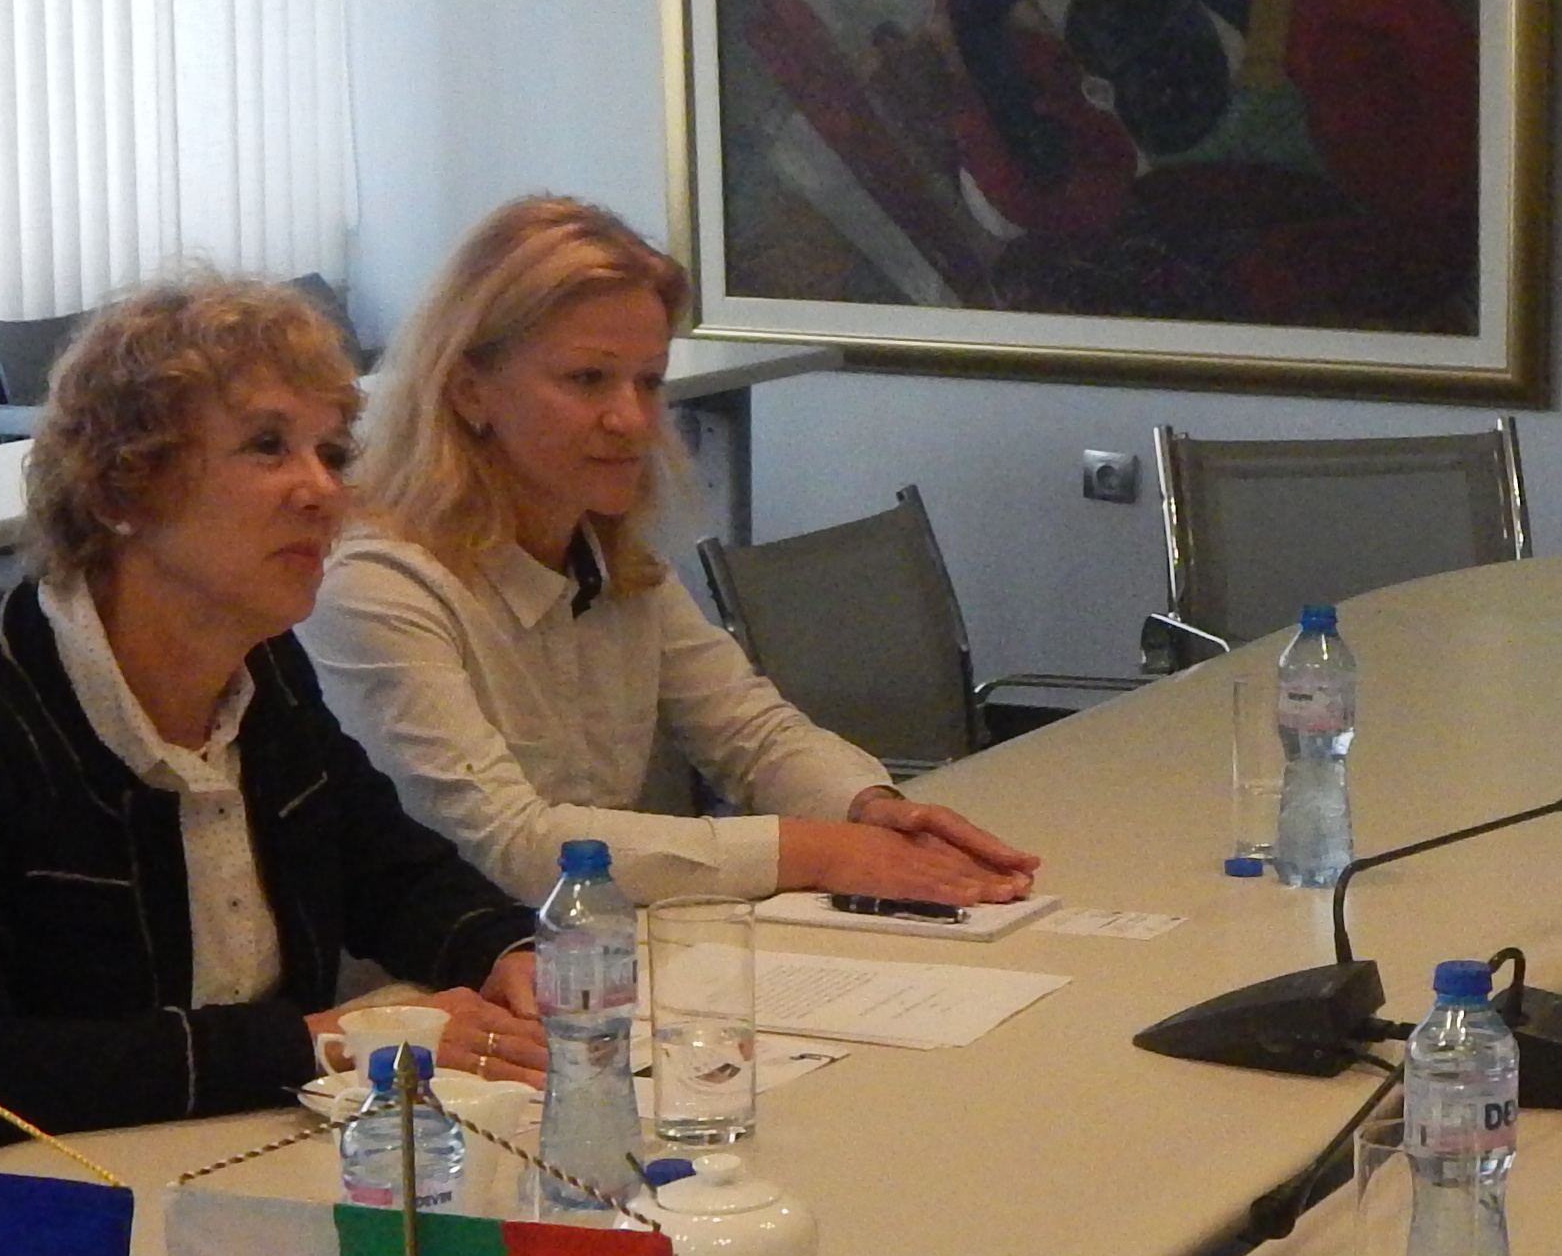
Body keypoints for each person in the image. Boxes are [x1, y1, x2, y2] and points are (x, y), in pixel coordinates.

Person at [0, 279, 547, 1160]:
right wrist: (315, 1043)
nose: (321, 492)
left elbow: (391, 872)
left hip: (217, 1164)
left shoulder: (263, 668)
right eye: (268, 446)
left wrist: (504, 952)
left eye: (331, 453)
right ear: (122, 488)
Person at [303, 197, 1037, 910]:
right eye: (588, 379)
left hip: (598, 956)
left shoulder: (611, 557)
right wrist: (817, 850)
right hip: (447, 980)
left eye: (648, 382)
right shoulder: (376, 585)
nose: (632, 419)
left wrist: (870, 810)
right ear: (470, 392)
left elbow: (751, 734)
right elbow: (513, 846)